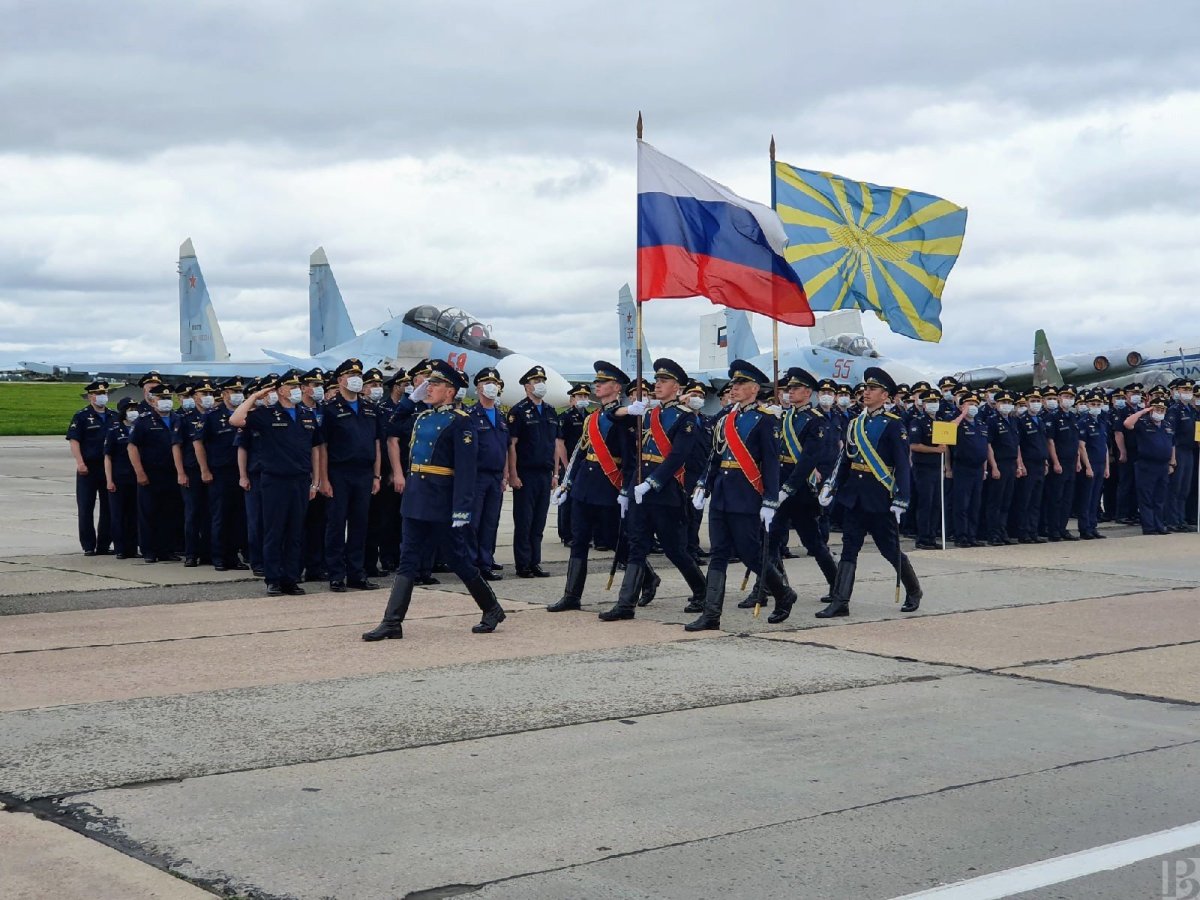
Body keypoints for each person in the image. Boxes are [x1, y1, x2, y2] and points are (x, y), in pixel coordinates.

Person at [362, 360, 507, 640]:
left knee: (458, 559)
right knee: (408, 559)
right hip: (417, 497)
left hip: (442, 501)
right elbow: (392, 426)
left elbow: (466, 470)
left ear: (450, 391)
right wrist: (409, 400)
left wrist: (462, 509)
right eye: (427, 384)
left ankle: (491, 608)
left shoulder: (462, 422)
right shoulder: (423, 417)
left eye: (435, 384)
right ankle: (392, 622)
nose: (428, 388)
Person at [598, 358, 710, 621]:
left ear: (677, 387)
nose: (657, 385)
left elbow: (678, 456)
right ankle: (626, 604)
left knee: (674, 549)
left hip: (666, 491)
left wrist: (653, 482)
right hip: (640, 489)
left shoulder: (685, 418)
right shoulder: (647, 413)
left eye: (664, 381)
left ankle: (702, 591)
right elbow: (610, 416)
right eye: (657, 380)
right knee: (636, 545)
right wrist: (630, 409)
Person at [684, 359, 787, 631]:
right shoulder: (726, 419)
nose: (735, 388)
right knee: (718, 553)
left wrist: (770, 500)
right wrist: (703, 485)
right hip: (722, 494)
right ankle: (711, 614)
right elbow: (715, 457)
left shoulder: (766, 420)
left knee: (750, 553)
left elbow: (772, 462)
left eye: (741, 383)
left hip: (747, 494)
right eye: (734, 384)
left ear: (754, 388)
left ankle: (783, 593)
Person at [815, 367, 922, 618]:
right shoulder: (855, 423)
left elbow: (902, 465)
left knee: (889, 549)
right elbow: (846, 459)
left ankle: (914, 589)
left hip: (880, 497)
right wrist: (832, 485)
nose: (866, 392)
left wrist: (902, 498)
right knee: (849, 548)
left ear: (885, 395)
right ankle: (841, 601)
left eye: (873, 389)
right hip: (854, 497)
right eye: (866, 388)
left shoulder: (894, 425)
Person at [230, 372, 323, 595]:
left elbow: (315, 450)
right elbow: (235, 420)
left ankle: (291, 578)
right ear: (280, 390)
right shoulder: (266, 414)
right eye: (291, 386)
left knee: (295, 532)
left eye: (298, 386)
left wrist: (315, 482)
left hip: (300, 480)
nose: (297, 390)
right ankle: (273, 578)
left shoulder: (307, 415)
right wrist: (255, 396)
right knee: (274, 531)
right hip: (275, 480)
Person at [757, 366, 838, 623]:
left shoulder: (816, 421)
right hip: (779, 486)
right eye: (788, 388)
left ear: (807, 392)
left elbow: (807, 460)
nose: (790, 392)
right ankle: (766, 589)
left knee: (813, 542)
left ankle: (837, 586)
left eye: (795, 388)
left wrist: (788, 489)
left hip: (800, 491)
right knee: (770, 540)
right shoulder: (782, 416)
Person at [547, 361, 629, 611]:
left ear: (616, 387)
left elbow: (630, 458)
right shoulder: (592, 418)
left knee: (613, 539)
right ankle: (572, 595)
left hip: (608, 485)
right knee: (579, 539)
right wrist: (567, 483)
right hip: (584, 484)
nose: (597, 386)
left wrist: (626, 489)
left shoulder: (625, 417)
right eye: (597, 382)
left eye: (603, 382)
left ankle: (647, 579)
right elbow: (580, 453)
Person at [320, 358, 383, 592]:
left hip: (364, 473)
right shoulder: (329, 409)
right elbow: (322, 446)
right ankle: (336, 574)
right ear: (340, 380)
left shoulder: (370, 408)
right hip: (339, 472)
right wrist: (323, 479)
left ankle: (357, 573)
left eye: (358, 375)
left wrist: (376, 476)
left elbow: (376, 443)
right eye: (351, 375)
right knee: (336, 524)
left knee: (360, 524)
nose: (356, 379)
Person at [507, 364, 564, 578]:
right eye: (536, 381)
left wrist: (555, 473)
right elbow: (512, 445)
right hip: (526, 473)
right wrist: (513, 474)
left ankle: (535, 562)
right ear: (527, 387)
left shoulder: (550, 411)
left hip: (545, 473)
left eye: (542, 381)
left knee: (539, 521)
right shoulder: (518, 411)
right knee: (524, 520)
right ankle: (523, 564)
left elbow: (555, 444)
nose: (541, 385)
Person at [127, 383, 181, 563]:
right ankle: (149, 550)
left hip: (172, 473)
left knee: (170, 512)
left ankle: (167, 549)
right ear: (152, 401)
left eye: (168, 398)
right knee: (149, 512)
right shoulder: (143, 421)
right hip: (150, 473)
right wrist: (139, 472)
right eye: (161, 398)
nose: (166, 401)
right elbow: (132, 447)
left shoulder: (178, 419)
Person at [467, 366, 510, 581]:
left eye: (495, 383)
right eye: (486, 383)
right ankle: (471, 564)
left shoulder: (501, 417)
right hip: (476, 476)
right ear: (478, 388)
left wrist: (505, 475)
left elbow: (504, 447)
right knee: (473, 522)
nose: (491, 386)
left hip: (495, 477)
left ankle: (485, 562)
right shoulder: (470, 416)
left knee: (490, 522)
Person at [66, 379, 115, 555]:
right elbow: (74, 440)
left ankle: (104, 545)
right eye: (98, 394)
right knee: (86, 507)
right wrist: (80, 462)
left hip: (108, 468)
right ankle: (88, 545)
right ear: (90, 396)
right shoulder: (82, 416)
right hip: (88, 467)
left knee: (108, 507)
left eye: (104, 393)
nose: (102, 396)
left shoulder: (114, 415)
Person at [172, 382, 214, 566]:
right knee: (193, 512)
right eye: (204, 393)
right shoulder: (185, 419)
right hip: (192, 471)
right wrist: (180, 472)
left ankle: (208, 552)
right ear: (195, 396)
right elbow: (176, 446)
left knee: (211, 513)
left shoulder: (215, 416)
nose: (208, 397)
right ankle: (191, 553)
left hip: (214, 470)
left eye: (210, 393)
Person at [1124, 394, 1176, 535]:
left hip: (1163, 465)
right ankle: (1149, 527)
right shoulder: (1143, 423)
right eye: (1157, 409)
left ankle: (1159, 525)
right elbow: (1127, 424)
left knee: (1160, 497)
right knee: (1146, 497)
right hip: (1146, 465)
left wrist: (1172, 462)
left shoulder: (1167, 425)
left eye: (1162, 410)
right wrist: (1143, 411)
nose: (1160, 412)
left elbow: (1172, 444)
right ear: (1151, 410)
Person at [299, 369, 330, 580]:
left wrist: (320, 480)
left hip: (323, 472)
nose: (318, 388)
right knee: (298, 524)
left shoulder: (325, 410)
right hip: (301, 472)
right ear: (303, 388)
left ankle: (315, 566)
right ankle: (295, 566)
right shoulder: (297, 411)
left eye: (320, 385)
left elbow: (322, 445)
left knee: (319, 523)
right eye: (314, 384)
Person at [907, 388, 946, 549]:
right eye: (930, 401)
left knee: (936, 504)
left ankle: (931, 536)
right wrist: (936, 450)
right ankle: (922, 538)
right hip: (923, 468)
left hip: (937, 467)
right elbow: (914, 445)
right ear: (923, 405)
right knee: (926, 503)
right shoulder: (918, 422)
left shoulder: (940, 421)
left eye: (935, 401)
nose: (933, 404)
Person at [984, 390, 1023, 545]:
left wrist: (1019, 465)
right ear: (997, 404)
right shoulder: (992, 421)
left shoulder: (1013, 420)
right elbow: (988, 445)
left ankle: (1002, 531)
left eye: (1009, 403)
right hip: (999, 463)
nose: (1006, 405)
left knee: (1006, 501)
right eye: (1003, 402)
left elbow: (1016, 445)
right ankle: (993, 533)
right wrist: (994, 466)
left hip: (1011, 464)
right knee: (995, 501)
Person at [103, 397, 140, 558]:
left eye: (135, 409)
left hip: (136, 478)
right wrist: (109, 480)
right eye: (130, 409)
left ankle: (133, 548)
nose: (134, 412)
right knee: (118, 514)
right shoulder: (114, 430)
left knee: (134, 514)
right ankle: (120, 548)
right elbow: (108, 457)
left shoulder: (139, 429)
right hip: (119, 478)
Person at [556, 384, 591, 546]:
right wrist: (566, 464)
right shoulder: (566, 417)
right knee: (567, 500)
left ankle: (582, 533)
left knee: (583, 500)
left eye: (585, 396)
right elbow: (560, 443)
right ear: (572, 400)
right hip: (569, 464)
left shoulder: (590, 417)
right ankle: (567, 535)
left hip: (585, 465)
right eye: (579, 396)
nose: (583, 399)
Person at [1077, 389, 1110, 539]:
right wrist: (1088, 467)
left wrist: (1107, 467)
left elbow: (1105, 446)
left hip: (1101, 463)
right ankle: (1085, 528)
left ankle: (1093, 526)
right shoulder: (1083, 422)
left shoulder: (1102, 422)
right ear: (1087, 404)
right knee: (1087, 498)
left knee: (1096, 497)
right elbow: (1081, 446)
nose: (1096, 406)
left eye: (1098, 404)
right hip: (1090, 464)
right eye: (1093, 404)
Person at [1166, 378, 1197, 531]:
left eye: (1190, 390)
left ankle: (1181, 519)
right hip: (1178, 451)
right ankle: (1172, 521)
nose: (1187, 392)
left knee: (1185, 488)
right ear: (1177, 391)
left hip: (1189, 451)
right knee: (1175, 487)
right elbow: (1170, 435)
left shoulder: (1191, 410)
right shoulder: (1174, 410)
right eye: (1184, 390)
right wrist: (1172, 458)